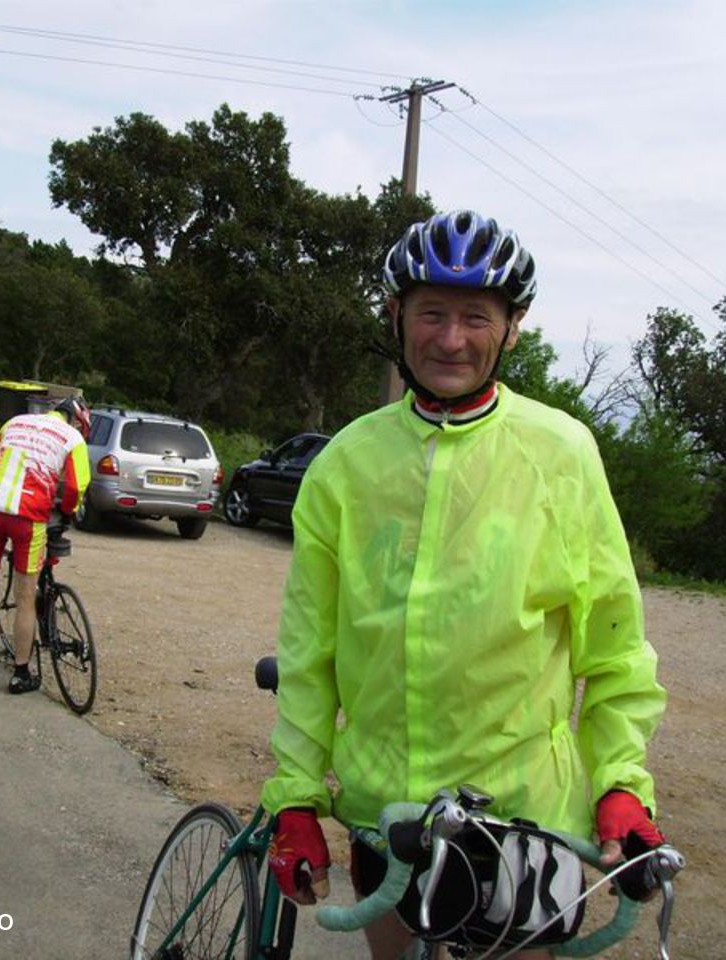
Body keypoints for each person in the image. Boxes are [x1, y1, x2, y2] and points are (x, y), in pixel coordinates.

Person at [259, 210, 668, 959]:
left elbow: (615, 649)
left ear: (512, 328)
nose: (451, 339)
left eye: (476, 317)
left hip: (521, 818)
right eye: (432, 313)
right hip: (385, 812)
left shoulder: (563, 453)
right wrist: (295, 796)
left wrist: (620, 783)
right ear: (396, 316)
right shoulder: (346, 462)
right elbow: (309, 650)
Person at [0, 394, 91, 693]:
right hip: (28, 517)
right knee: (26, 596)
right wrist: (68, 510)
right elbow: (76, 485)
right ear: (77, 421)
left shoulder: (14, 422)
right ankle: (20, 673)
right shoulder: (72, 438)